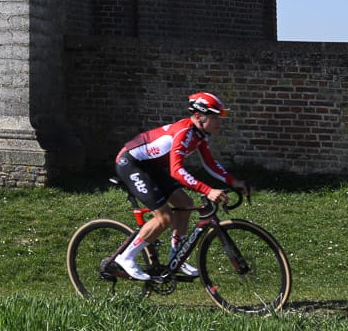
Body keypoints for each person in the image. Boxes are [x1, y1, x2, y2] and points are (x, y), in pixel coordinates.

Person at [108, 91, 252, 281]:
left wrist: (233, 182)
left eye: (220, 117)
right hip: (131, 163)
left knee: (184, 204)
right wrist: (208, 190)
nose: (219, 122)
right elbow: (176, 171)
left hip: (150, 167)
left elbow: (209, 163)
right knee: (164, 217)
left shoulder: (199, 135)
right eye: (215, 117)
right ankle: (126, 258)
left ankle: (176, 257)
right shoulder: (184, 132)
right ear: (199, 117)